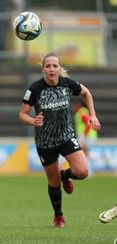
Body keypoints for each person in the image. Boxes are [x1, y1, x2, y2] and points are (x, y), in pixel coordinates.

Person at [19, 53, 101, 228]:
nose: (51, 69)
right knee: (53, 181)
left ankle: (66, 175)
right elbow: (22, 114)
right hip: (45, 141)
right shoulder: (34, 89)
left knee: (82, 172)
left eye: (55, 66)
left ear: (59, 68)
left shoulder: (67, 83)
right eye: (48, 66)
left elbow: (86, 93)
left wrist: (93, 115)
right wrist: (33, 121)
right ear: (43, 69)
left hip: (66, 136)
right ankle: (58, 216)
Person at [74, 101, 98, 176]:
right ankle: (89, 171)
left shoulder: (81, 111)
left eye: (77, 105)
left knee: (83, 153)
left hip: (86, 135)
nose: (75, 106)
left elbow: (87, 123)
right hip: (89, 135)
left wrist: (85, 135)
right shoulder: (85, 111)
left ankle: (89, 170)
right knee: (85, 153)